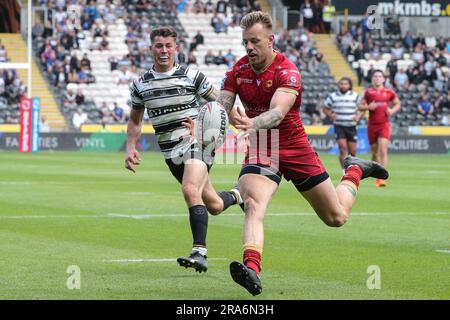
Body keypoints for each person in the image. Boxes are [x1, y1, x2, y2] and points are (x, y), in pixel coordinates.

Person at [217, 11, 389, 296]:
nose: (249, 48)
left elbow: (277, 113)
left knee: (336, 217)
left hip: (295, 147)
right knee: (253, 203)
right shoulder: (237, 71)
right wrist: (205, 124)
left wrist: (250, 123)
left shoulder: (288, 70)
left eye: (255, 42)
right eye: (245, 42)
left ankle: (355, 171)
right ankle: (252, 268)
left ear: (270, 40)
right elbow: (222, 108)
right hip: (263, 146)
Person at [125, 27, 241, 274]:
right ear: (151, 49)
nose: (164, 50)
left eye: (168, 45)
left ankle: (199, 252)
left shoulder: (192, 76)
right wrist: (131, 148)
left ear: (176, 48)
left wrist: (243, 125)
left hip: (198, 144)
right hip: (171, 154)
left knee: (189, 189)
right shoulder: (140, 84)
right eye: (159, 46)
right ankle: (238, 195)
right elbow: (135, 120)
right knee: (215, 205)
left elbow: (221, 104)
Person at [358, 70, 400, 187]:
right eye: (375, 76)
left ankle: (381, 178)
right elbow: (360, 106)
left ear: (383, 79)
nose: (377, 78)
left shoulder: (389, 92)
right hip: (372, 125)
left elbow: (397, 103)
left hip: (384, 125)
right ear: (372, 79)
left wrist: (392, 111)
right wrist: (367, 107)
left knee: (383, 150)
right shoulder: (368, 92)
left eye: (379, 76)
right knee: (375, 153)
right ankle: (375, 171)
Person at [323, 77, 361, 169]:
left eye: (345, 84)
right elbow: (325, 108)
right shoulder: (333, 96)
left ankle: (352, 170)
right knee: (343, 148)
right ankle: (344, 171)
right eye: (341, 84)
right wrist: (331, 115)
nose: (343, 85)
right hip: (339, 126)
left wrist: (358, 116)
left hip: (351, 126)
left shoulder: (355, 96)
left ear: (349, 85)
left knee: (353, 151)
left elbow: (362, 108)